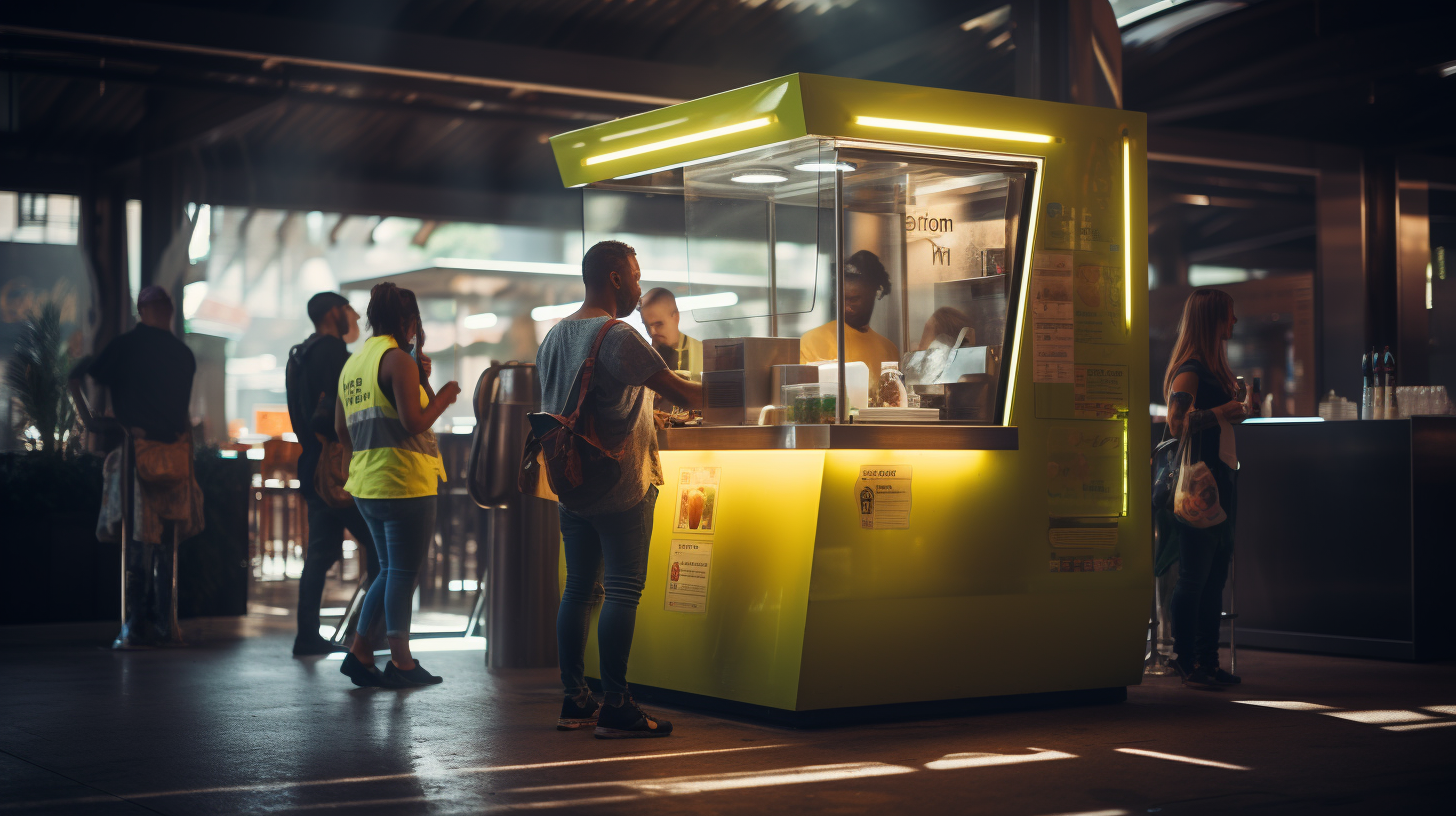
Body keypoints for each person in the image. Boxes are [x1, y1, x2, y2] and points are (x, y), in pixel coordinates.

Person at [537, 241, 702, 738]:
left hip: (572, 482)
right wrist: (744, 385)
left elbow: (591, 401)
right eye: (634, 274)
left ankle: (575, 699)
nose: (637, 283)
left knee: (579, 588)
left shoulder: (555, 335)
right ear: (613, 278)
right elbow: (685, 392)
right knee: (624, 590)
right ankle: (617, 705)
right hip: (621, 483)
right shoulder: (618, 335)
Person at [335, 283, 459, 688]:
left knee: (388, 571)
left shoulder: (355, 364)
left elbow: (342, 429)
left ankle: (361, 651)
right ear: (409, 320)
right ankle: (401, 661)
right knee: (403, 573)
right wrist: (443, 396)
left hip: (366, 481)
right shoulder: (397, 360)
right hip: (404, 481)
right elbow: (414, 422)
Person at [82, 285, 197, 643]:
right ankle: (166, 621)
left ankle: (134, 623)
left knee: (136, 538)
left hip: (137, 451)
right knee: (167, 540)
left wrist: (99, 417)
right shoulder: (183, 353)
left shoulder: (124, 347)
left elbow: (90, 373)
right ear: (169, 311)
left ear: (141, 311)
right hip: (176, 453)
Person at [1163, 288, 1258, 689]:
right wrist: (1223, 411)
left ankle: (1206, 659)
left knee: (1214, 576)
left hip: (1218, 482)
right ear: (1213, 319)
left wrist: (1230, 413)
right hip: (1197, 485)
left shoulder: (1213, 369)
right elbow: (1175, 422)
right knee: (1194, 576)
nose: (1234, 322)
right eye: (1229, 316)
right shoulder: (1191, 368)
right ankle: (1186, 659)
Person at [285, 292, 380, 656]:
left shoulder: (301, 353)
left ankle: (307, 635)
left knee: (320, 554)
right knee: (377, 545)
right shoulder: (333, 354)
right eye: (347, 309)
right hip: (338, 467)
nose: (354, 316)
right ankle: (368, 635)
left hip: (312, 465)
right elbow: (333, 413)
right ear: (331, 314)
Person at [799, 249, 899, 369]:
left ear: (873, 294)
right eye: (841, 300)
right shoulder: (812, 341)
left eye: (854, 299)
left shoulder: (889, 349)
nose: (846, 308)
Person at [639, 288, 703, 379]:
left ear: (676, 317)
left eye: (658, 324)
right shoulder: (645, 360)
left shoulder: (704, 353)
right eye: (646, 326)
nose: (652, 332)